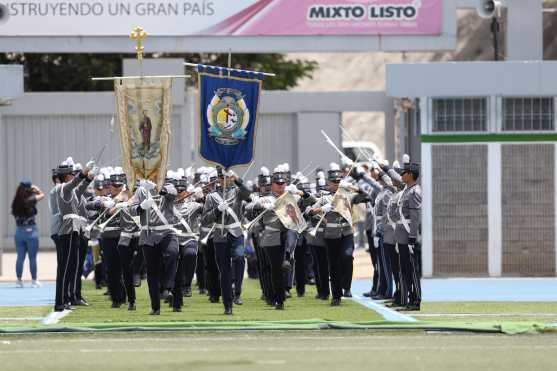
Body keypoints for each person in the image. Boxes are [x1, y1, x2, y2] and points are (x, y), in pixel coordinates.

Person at [11, 180, 45, 287]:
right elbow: (42, 195)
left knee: (20, 257)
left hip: (19, 232)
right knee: (32, 258)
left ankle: (19, 280)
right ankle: (34, 281)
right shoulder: (29, 200)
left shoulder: (15, 202)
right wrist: (36, 188)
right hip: (31, 232)